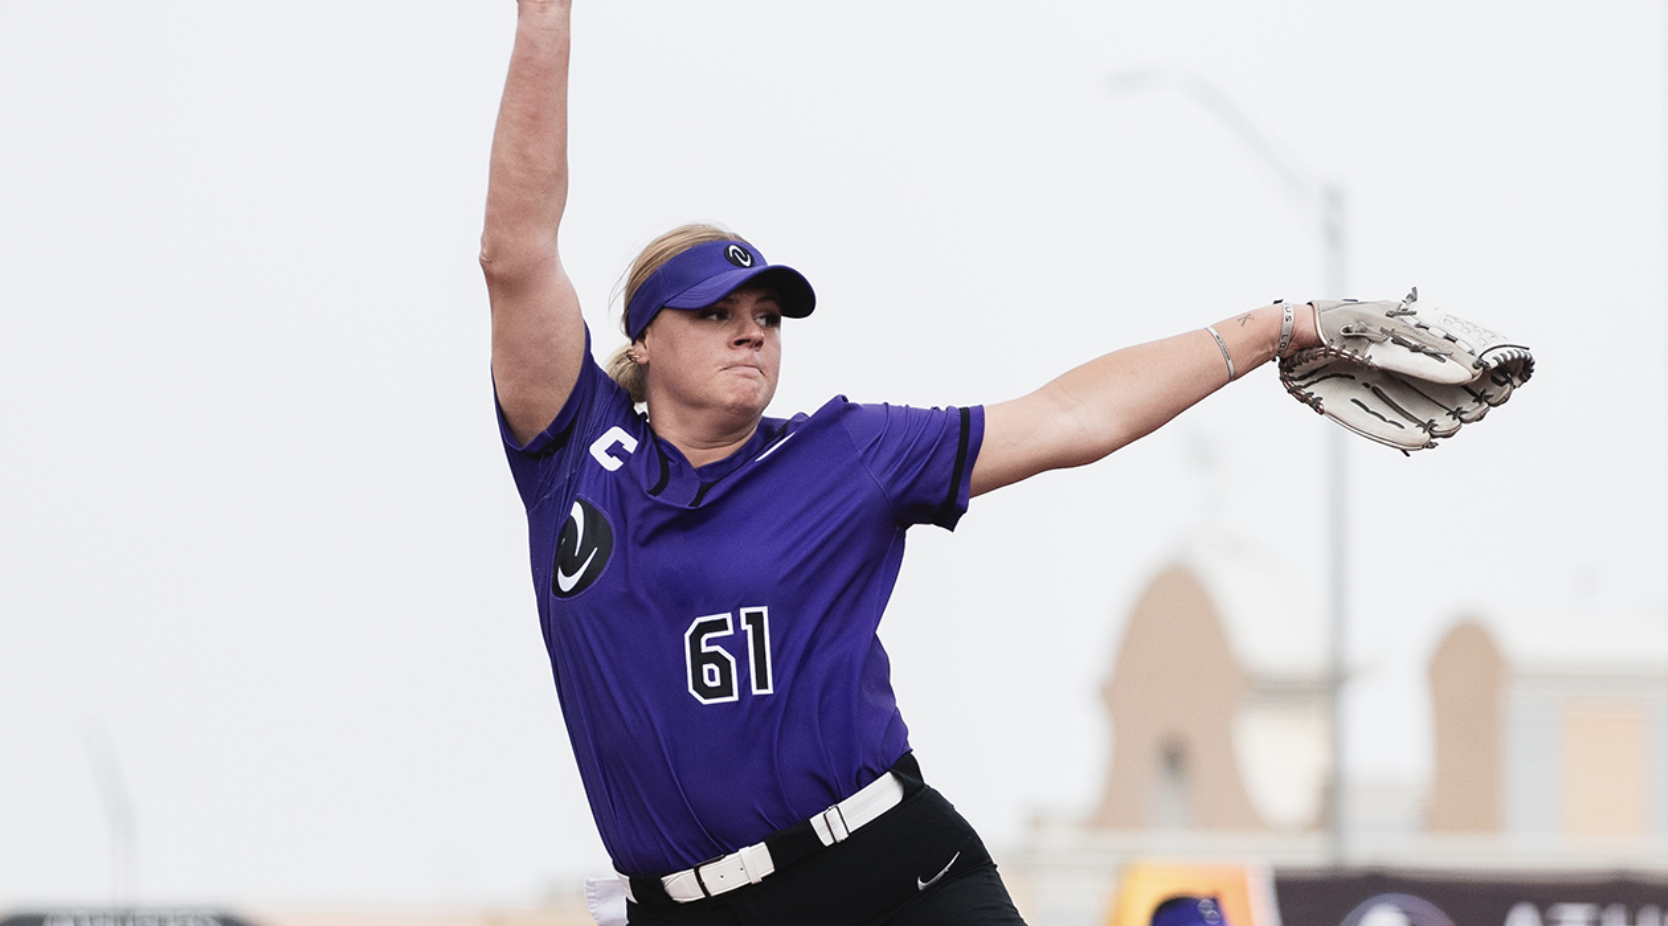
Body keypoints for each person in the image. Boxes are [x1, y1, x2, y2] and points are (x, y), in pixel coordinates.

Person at [480, 3, 1322, 924]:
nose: (751, 332)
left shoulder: (846, 452)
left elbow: (1073, 416)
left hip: (886, 872)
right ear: (643, 340)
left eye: (766, 316)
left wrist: (1273, 329)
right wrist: (546, 18)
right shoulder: (577, 456)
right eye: (716, 313)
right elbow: (515, 252)